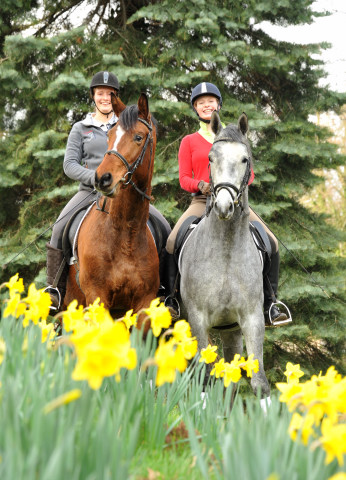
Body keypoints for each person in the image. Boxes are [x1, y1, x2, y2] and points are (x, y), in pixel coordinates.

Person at [164, 82, 289, 325]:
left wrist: (234, 189)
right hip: (202, 200)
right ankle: (171, 298)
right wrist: (201, 186)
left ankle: (270, 303)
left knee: (271, 242)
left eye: (210, 101)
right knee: (171, 241)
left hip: (236, 200)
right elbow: (183, 178)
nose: (206, 105)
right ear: (195, 108)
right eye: (201, 102)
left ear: (218, 104)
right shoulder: (189, 141)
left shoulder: (236, 137)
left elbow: (249, 173)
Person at [45, 71, 170, 312]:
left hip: (125, 191)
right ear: (93, 96)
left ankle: (164, 291)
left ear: (115, 97)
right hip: (90, 191)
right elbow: (69, 165)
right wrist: (94, 177)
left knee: (163, 227)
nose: (104, 97)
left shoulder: (125, 124)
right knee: (60, 226)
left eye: (109, 94)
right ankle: (55, 289)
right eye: (100, 93)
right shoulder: (81, 128)